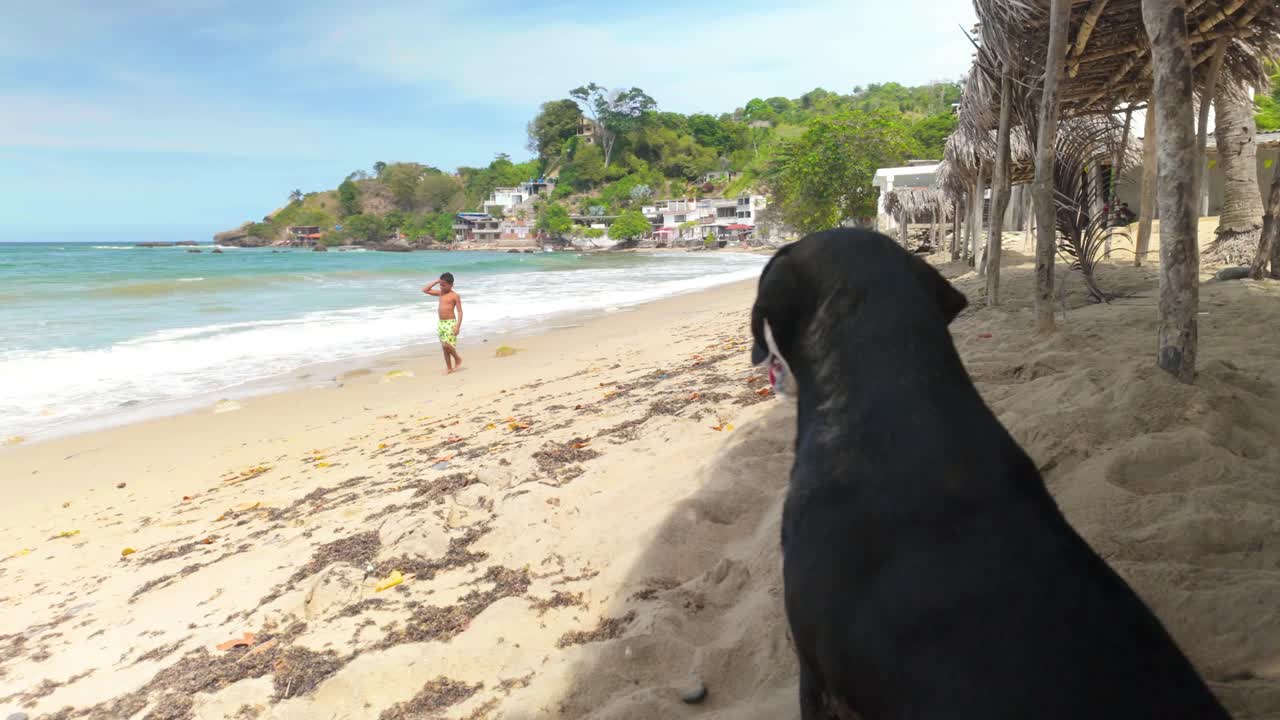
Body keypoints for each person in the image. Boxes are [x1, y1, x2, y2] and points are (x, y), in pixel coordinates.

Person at [423, 272, 463, 374]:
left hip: (451, 323)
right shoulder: (440, 293)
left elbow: (459, 311)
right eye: (440, 285)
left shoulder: (454, 296)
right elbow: (425, 290)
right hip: (441, 323)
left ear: (451, 285)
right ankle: (449, 368)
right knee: (444, 348)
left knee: (446, 345)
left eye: (444, 285)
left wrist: (458, 326)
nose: (441, 287)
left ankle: (457, 358)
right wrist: (437, 281)